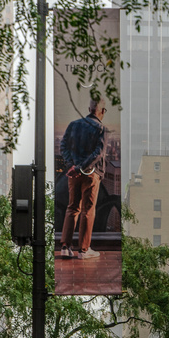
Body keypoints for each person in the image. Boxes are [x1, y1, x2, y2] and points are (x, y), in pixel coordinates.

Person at [59, 96, 108, 259]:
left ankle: (65, 247)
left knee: (72, 207)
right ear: (102, 111)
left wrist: (72, 165)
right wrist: (82, 167)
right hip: (91, 173)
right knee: (88, 210)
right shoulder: (101, 128)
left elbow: (63, 146)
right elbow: (98, 153)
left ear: (89, 110)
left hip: (74, 172)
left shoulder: (73, 125)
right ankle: (84, 250)